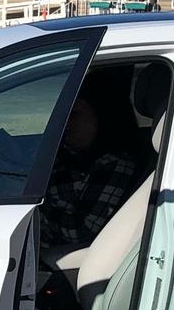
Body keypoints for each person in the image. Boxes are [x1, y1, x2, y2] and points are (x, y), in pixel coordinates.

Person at [40, 97, 143, 250]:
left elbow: (81, 231)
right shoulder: (67, 155)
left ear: (102, 114)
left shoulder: (114, 164)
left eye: (74, 114)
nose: (66, 123)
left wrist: (39, 209)